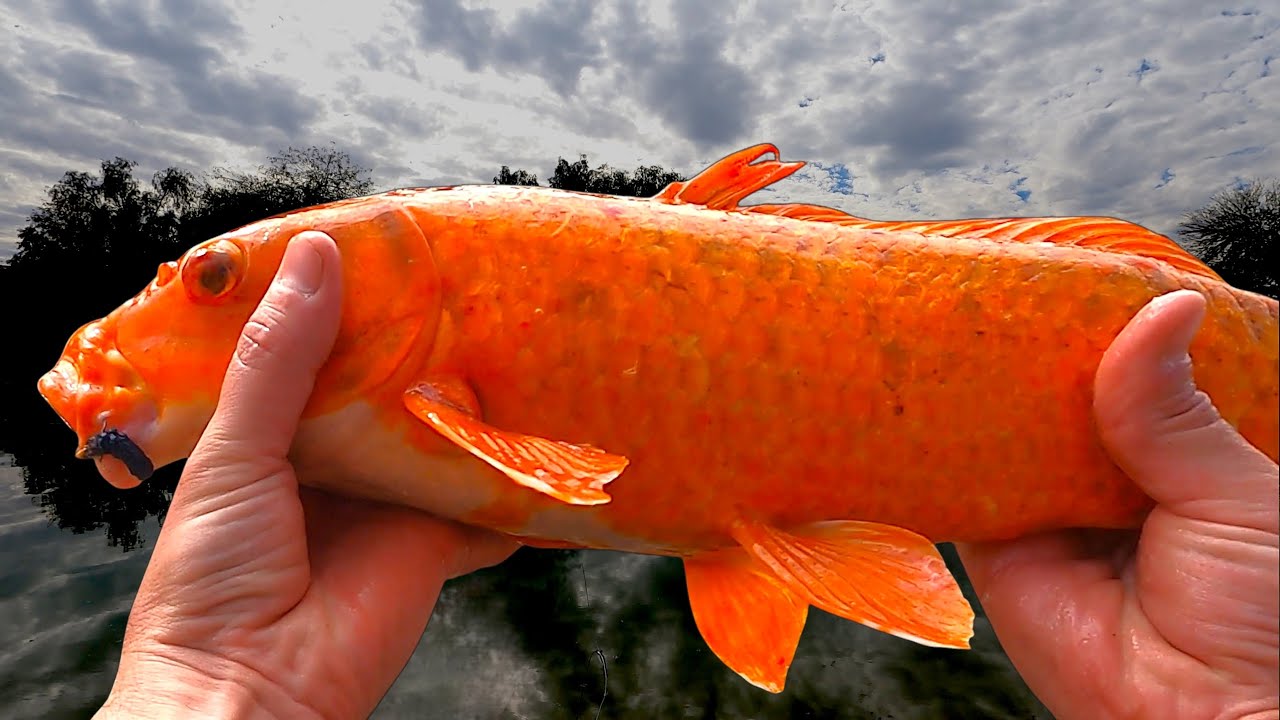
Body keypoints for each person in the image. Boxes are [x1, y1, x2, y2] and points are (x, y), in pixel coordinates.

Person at [93, 232, 1278, 719]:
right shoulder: (393, 416)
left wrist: (205, 682)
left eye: (210, 281)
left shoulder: (441, 334)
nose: (205, 296)